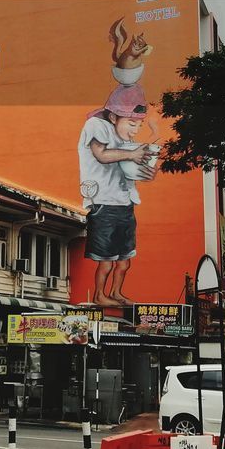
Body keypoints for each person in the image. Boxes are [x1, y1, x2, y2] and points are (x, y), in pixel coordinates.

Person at [77, 84, 156, 306]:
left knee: (124, 260)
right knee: (106, 260)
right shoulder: (96, 126)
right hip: (103, 203)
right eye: (132, 123)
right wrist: (132, 155)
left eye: (139, 124)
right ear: (113, 116)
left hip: (125, 203)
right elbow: (101, 154)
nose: (135, 129)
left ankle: (117, 292)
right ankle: (100, 295)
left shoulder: (126, 140)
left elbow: (130, 169)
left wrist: (146, 170)